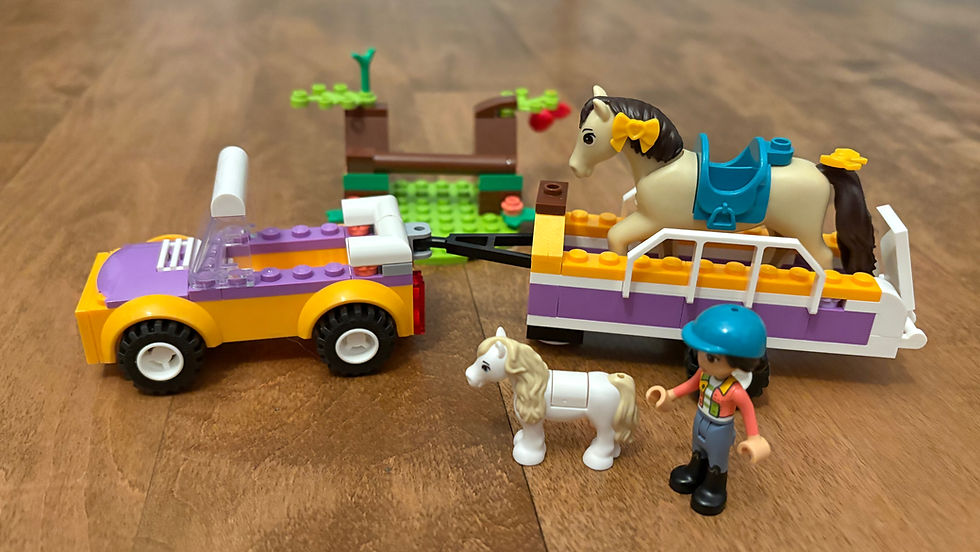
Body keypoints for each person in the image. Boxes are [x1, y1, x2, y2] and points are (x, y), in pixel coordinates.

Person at [646, 304, 771, 515]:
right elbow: (689, 386)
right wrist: (669, 395)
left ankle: (714, 488)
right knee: (698, 450)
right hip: (700, 419)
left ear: (740, 362)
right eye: (701, 353)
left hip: (720, 429)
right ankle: (694, 471)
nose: (702, 360)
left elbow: (748, 411)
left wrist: (754, 438)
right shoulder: (703, 374)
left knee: (717, 460)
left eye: (712, 357)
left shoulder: (735, 390)